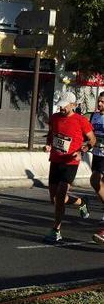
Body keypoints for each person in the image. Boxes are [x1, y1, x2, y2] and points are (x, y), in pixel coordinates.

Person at [43, 91, 96, 244]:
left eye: (64, 106)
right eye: (60, 106)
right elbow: (51, 134)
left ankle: (56, 230)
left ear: (73, 105)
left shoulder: (81, 120)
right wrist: (48, 144)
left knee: (60, 195)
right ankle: (81, 202)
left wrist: (82, 151)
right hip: (55, 160)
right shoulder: (55, 118)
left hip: (71, 162)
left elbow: (92, 139)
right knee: (54, 198)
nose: (61, 109)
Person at [89, 91, 104, 244]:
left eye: (103, 102)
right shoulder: (94, 116)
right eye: (99, 101)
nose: (99, 104)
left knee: (97, 181)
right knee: (96, 184)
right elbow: (90, 134)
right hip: (97, 154)